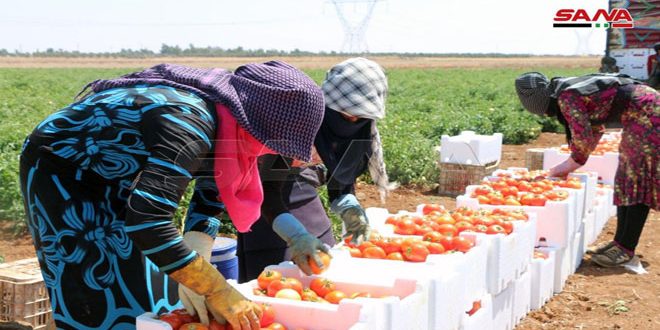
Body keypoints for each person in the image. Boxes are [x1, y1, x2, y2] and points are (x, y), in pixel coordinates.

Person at [19, 61, 325, 329]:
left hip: (117, 176)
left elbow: (210, 194)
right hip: (63, 171)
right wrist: (215, 288)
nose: (274, 155)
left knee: (157, 293)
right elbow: (148, 223)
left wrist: (199, 260)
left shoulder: (228, 120)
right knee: (96, 288)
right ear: (257, 126)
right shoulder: (188, 123)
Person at [236, 57, 393, 282]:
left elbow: (342, 177)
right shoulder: (296, 120)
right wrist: (295, 235)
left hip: (303, 185)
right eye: (346, 112)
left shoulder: (360, 129)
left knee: (324, 269)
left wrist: (348, 205)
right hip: (264, 195)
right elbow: (267, 192)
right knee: (273, 278)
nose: (353, 119)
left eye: (360, 114)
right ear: (328, 103)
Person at [515, 72, 658, 268]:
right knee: (625, 179)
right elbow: (595, 130)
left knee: (636, 179)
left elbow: (582, 138)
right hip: (643, 111)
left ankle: (625, 249)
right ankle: (619, 244)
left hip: (648, 113)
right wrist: (573, 161)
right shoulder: (565, 91)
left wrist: (563, 167)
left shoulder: (566, 96)